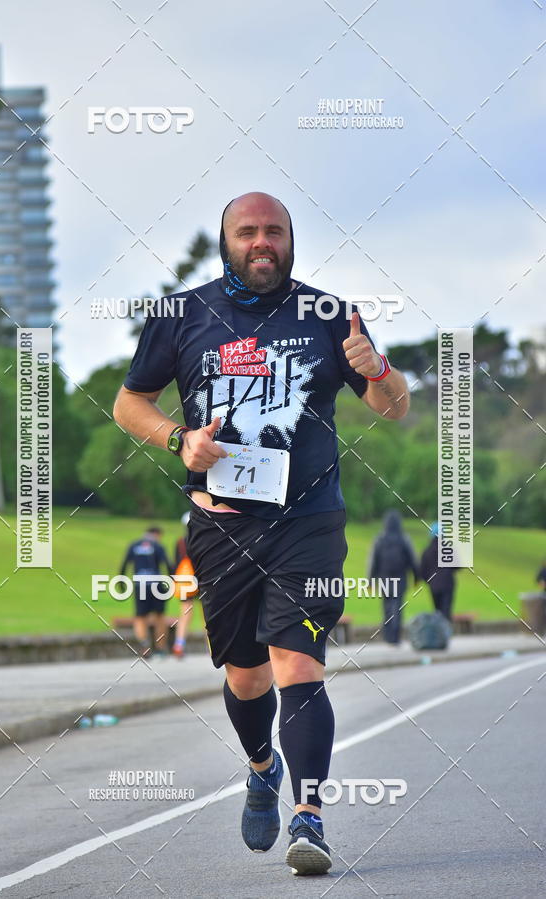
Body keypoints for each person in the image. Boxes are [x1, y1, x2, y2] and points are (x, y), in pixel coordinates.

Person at [113, 191, 410, 875]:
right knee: (247, 678)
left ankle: (310, 815)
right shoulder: (181, 315)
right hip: (221, 527)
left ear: (290, 239)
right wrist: (177, 439)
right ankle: (260, 764)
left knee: (298, 662)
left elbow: (394, 409)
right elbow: (132, 400)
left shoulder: (329, 315)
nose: (262, 242)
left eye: (274, 231)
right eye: (247, 232)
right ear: (226, 241)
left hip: (308, 522)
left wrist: (380, 371)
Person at [119, 526, 172, 656]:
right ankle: (160, 648)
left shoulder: (134, 545)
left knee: (140, 617)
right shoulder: (157, 546)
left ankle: (144, 645)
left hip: (140, 584)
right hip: (156, 584)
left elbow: (125, 564)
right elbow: (168, 565)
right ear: (157, 534)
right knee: (159, 616)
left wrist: (121, 582)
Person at [368, 510, 419, 645]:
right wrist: (416, 577)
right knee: (397, 606)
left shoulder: (380, 539)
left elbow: (373, 561)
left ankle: (388, 635)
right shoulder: (404, 539)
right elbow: (413, 560)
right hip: (400, 578)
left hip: (384, 579)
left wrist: (370, 580)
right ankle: (395, 636)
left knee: (386, 606)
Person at [172, 511, 199, 659]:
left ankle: (179, 644)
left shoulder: (180, 542)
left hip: (184, 580)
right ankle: (212, 647)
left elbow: (175, 564)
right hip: (201, 579)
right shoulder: (202, 540)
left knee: (185, 614)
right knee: (208, 616)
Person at [420, 522, 457, 621]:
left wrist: (429, 581)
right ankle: (445, 632)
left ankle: (439, 632)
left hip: (434, 585)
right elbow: (459, 565)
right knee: (446, 611)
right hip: (448, 584)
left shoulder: (427, 551)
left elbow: (422, 571)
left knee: (437, 611)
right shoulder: (449, 549)